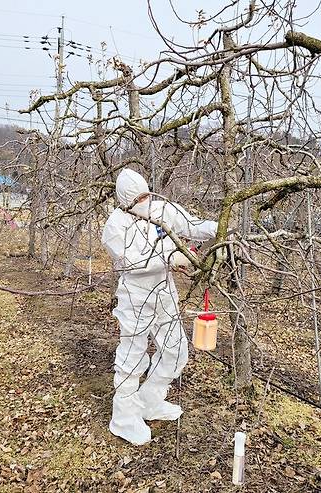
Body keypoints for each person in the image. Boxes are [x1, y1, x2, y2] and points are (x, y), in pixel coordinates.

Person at [101, 168, 218, 445]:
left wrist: (221, 228)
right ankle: (124, 418)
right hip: (135, 298)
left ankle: (150, 400)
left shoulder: (161, 209)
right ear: (124, 200)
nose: (143, 201)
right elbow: (131, 263)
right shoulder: (115, 226)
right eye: (137, 198)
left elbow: (192, 225)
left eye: (145, 195)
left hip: (164, 293)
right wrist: (173, 256)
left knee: (176, 350)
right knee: (132, 359)